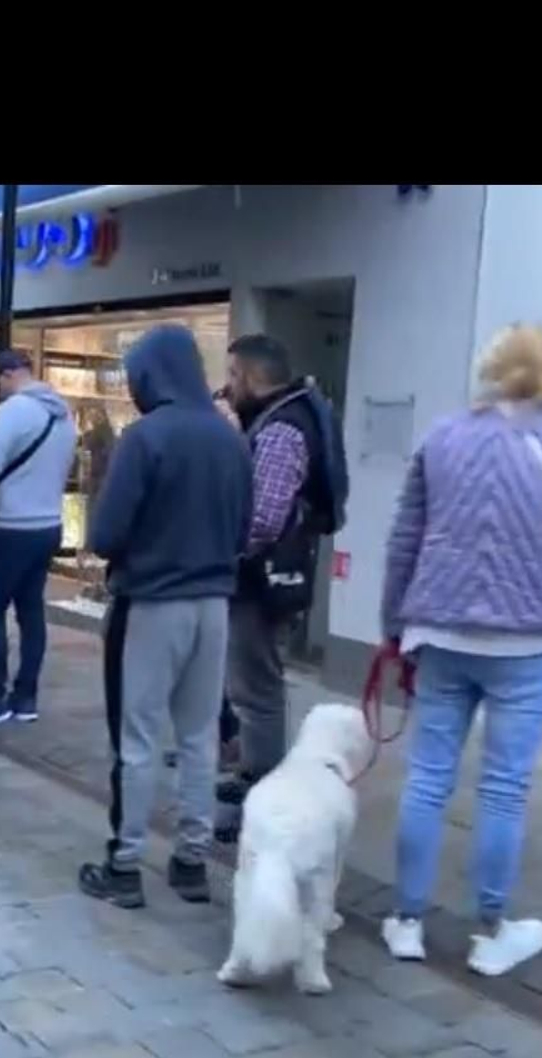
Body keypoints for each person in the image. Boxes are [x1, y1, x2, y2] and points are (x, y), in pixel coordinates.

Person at [380, 325, 542, 975]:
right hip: (530, 636)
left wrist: (394, 627)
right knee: (505, 788)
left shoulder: (443, 436)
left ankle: (406, 921)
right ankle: (490, 929)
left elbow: (404, 539)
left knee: (427, 778)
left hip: (442, 629)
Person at [75, 325, 253, 910]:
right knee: (200, 737)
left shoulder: (145, 437)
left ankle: (124, 865)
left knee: (138, 737)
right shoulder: (230, 439)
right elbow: (246, 529)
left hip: (151, 604)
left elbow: (106, 534)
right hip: (214, 605)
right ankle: (191, 862)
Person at [216, 334, 347, 835]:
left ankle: (262, 801)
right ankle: (256, 785)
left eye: (232, 375)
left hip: (260, 583)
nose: (227, 386)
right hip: (270, 578)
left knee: (257, 694)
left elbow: (264, 519)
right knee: (255, 688)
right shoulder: (286, 417)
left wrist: (224, 553)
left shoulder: (280, 430)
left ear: (251, 376)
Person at [0, 350, 77, 731]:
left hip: (12, 526)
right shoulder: (63, 413)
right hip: (49, 525)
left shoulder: (12, 411)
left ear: (8, 375)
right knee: (31, 611)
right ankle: (26, 697)